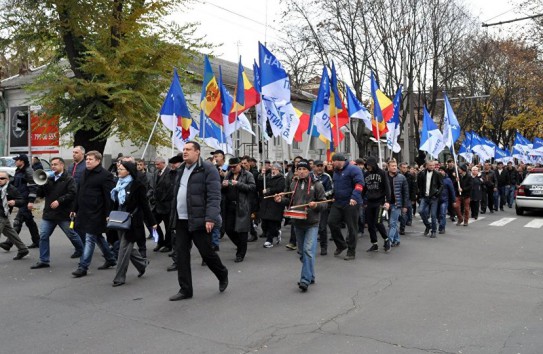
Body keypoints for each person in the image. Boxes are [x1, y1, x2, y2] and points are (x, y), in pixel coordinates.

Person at [169, 141, 228, 301]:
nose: (185, 152)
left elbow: (214, 196)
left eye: (188, 149)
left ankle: (222, 273)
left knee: (207, 253)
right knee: (181, 254)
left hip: (200, 219)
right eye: (184, 149)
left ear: (198, 152)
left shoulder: (208, 169)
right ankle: (185, 289)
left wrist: (210, 218)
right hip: (182, 219)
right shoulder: (181, 168)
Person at [275, 159, 326, 292]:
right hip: (297, 222)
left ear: (309, 171)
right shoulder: (293, 184)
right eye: (299, 169)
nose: (301, 172)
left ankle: (304, 280)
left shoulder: (317, 185)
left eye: (304, 169)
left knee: (308, 250)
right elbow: (290, 201)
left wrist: (316, 205)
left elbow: (324, 204)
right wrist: (281, 200)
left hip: (312, 223)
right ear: (296, 171)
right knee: (302, 252)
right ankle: (311, 275)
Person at [30, 157, 84, 269]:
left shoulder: (69, 179)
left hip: (63, 214)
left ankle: (83, 252)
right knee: (44, 236)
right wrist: (42, 183)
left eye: (55, 164)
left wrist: (59, 201)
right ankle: (44, 260)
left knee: (72, 235)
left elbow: (72, 193)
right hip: (49, 214)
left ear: (62, 165)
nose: (53, 166)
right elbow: (40, 194)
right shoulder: (49, 178)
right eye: (52, 165)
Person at [110, 161, 157, 287]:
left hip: (132, 221)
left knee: (123, 249)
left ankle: (119, 277)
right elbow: (115, 203)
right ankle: (142, 264)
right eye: (118, 169)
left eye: (121, 169)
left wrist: (152, 222)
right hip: (118, 219)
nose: (118, 171)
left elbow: (144, 205)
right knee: (127, 248)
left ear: (129, 171)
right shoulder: (118, 184)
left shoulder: (137, 185)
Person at [71, 151, 117, 278]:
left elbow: (109, 197)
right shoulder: (85, 172)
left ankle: (83, 266)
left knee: (90, 238)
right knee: (97, 237)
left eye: (90, 159)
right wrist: (74, 208)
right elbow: (79, 191)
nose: (88, 161)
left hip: (97, 212)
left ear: (98, 161)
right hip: (84, 211)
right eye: (87, 159)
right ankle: (111, 258)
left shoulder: (105, 175)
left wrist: (108, 213)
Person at [328, 153, 365, 260]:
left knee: (352, 227)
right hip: (338, 202)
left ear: (338, 160)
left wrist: (354, 197)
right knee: (331, 222)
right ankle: (341, 245)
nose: (331, 164)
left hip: (351, 203)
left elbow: (360, 184)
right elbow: (337, 186)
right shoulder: (335, 172)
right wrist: (334, 195)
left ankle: (351, 251)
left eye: (332, 162)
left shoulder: (354, 169)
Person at [0, 154, 40, 250]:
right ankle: (37, 241)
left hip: (25, 200)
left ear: (22, 161)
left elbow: (33, 187)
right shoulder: (18, 170)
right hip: (19, 199)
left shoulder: (29, 171)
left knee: (18, 221)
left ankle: (9, 243)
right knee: (29, 221)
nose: (15, 161)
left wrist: (31, 201)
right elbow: (15, 184)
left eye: (17, 160)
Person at [221, 157, 256, 262]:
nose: (232, 169)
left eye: (234, 167)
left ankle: (240, 253)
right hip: (229, 205)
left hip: (242, 205)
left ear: (239, 165)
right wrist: (223, 185)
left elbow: (252, 187)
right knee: (228, 228)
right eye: (230, 167)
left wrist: (238, 184)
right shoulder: (229, 174)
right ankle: (240, 245)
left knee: (242, 231)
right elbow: (223, 187)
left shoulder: (247, 174)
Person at [363, 156, 391, 252]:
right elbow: (364, 188)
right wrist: (363, 200)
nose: (368, 167)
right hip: (370, 202)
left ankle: (386, 240)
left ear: (373, 164)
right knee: (370, 224)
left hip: (380, 202)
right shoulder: (366, 174)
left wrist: (387, 201)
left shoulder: (382, 173)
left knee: (378, 222)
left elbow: (387, 188)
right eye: (367, 165)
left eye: (369, 165)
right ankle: (374, 243)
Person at [0, 171, 29, 260]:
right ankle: (23, 249)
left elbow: (22, 201)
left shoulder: (11, 189)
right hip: (4, 216)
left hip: (2, 215)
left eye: (2, 178)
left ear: (7, 179)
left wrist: (15, 202)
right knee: (11, 233)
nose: (0, 180)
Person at [149, 157, 174, 253]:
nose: (156, 166)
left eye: (158, 164)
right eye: (155, 164)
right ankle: (160, 241)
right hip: (156, 204)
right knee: (153, 223)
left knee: (168, 226)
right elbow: (153, 187)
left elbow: (169, 189)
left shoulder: (169, 173)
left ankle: (168, 245)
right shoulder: (156, 173)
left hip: (166, 205)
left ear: (163, 163)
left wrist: (163, 199)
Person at [259, 163, 285, 248]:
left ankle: (269, 240)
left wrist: (269, 190)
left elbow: (279, 188)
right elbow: (260, 183)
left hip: (275, 202)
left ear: (279, 170)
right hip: (266, 202)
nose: (273, 170)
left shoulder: (281, 178)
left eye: (275, 169)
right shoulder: (267, 177)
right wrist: (261, 175)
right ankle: (276, 233)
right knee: (264, 222)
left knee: (271, 222)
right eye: (272, 168)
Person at [417, 160, 443, 238]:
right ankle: (428, 226)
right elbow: (419, 185)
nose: (432, 167)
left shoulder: (438, 174)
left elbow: (441, 185)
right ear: (427, 166)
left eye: (433, 165)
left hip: (434, 197)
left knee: (433, 215)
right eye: (430, 165)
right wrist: (420, 195)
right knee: (421, 211)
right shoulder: (421, 174)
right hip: (425, 197)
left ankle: (434, 231)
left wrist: (437, 194)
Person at [386, 159, 409, 246]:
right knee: (391, 223)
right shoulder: (385, 176)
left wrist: (405, 205)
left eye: (395, 166)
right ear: (388, 167)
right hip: (387, 203)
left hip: (397, 204)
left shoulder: (402, 177)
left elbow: (405, 193)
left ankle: (389, 241)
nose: (394, 167)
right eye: (392, 166)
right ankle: (397, 239)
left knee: (393, 223)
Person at [313, 160, 333, 255]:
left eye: (321, 166)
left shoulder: (327, 177)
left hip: (322, 204)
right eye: (318, 166)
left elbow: (331, 189)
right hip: (311, 205)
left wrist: (322, 195)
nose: (320, 167)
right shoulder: (309, 176)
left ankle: (324, 247)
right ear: (314, 167)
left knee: (322, 227)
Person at [437, 166, 456, 235]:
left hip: (444, 200)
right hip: (436, 200)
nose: (440, 171)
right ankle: (440, 223)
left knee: (442, 214)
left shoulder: (448, 180)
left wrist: (453, 201)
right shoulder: (436, 179)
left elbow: (452, 191)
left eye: (442, 170)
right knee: (437, 215)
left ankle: (442, 227)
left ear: (444, 172)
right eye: (439, 170)